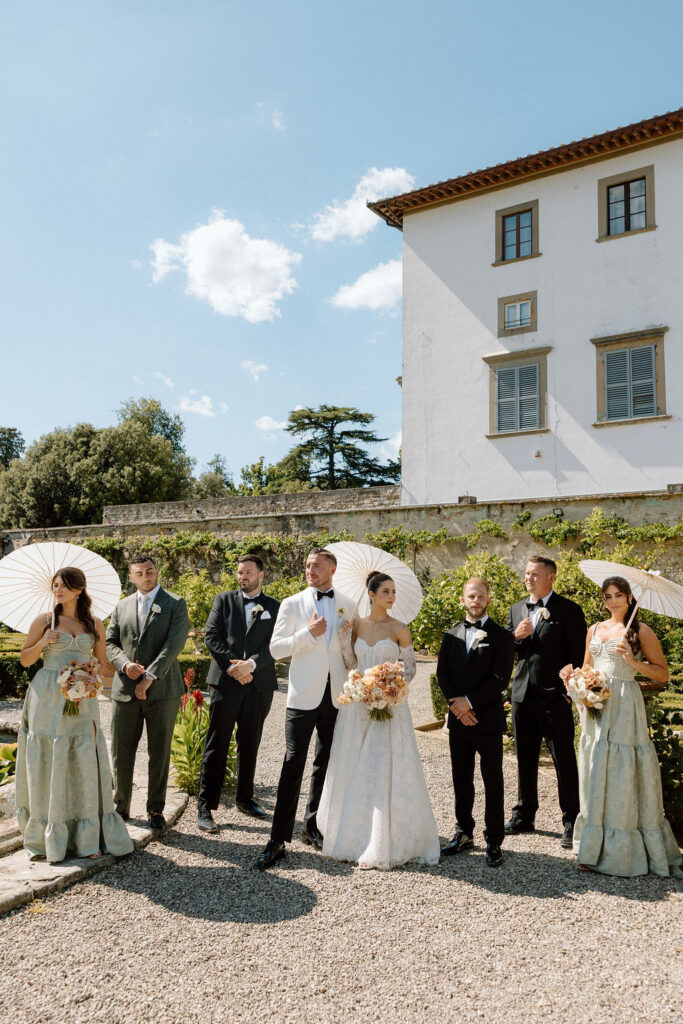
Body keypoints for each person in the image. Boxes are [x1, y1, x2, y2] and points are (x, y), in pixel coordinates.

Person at [317, 571, 440, 870]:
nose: (391, 596)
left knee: (383, 766)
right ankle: (353, 836)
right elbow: (352, 665)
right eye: (385, 591)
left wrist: (390, 684)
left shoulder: (401, 628)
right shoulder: (355, 626)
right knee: (354, 766)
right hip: (358, 708)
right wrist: (346, 643)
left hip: (390, 708)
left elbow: (410, 669)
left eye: (393, 591)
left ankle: (388, 840)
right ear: (370, 594)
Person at [15, 568, 133, 863]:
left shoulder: (94, 623)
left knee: (82, 757)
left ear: (79, 590)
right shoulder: (43, 621)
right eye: (55, 585)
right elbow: (25, 659)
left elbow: (103, 662)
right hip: (46, 696)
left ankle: (87, 837)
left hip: (83, 698)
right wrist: (44, 642)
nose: (58, 590)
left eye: (65, 586)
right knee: (49, 757)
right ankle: (48, 838)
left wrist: (90, 673)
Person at [571, 576, 681, 877]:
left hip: (624, 706)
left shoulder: (641, 631)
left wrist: (633, 662)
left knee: (621, 772)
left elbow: (662, 674)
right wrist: (579, 683)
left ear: (630, 598)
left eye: (618, 595)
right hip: (597, 707)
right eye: (607, 596)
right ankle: (591, 848)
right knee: (595, 769)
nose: (612, 601)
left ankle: (623, 853)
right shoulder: (594, 629)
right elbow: (587, 666)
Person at [254, 548, 354, 870]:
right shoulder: (292, 603)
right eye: (308, 565)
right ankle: (278, 840)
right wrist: (307, 635)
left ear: (332, 569)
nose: (310, 570)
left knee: (324, 762)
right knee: (292, 762)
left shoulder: (348, 605)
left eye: (317, 566)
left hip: (336, 695)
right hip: (301, 697)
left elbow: (350, 650)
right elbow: (276, 649)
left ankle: (313, 827)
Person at [506, 555, 586, 848]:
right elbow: (506, 653)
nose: (529, 578)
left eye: (535, 574)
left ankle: (571, 820)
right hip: (521, 697)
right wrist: (514, 637)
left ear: (551, 576)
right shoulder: (516, 609)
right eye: (527, 574)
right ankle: (525, 814)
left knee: (564, 761)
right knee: (524, 759)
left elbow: (578, 656)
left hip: (554, 698)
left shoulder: (569, 610)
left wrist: (567, 694)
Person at [106, 553, 189, 830]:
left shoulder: (175, 603)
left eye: (150, 571)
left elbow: (175, 643)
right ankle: (120, 807)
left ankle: (155, 809)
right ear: (131, 577)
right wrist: (125, 664)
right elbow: (110, 642)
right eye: (139, 573)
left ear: (157, 571)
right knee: (121, 752)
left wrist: (150, 676)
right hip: (124, 691)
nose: (146, 576)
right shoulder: (121, 606)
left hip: (163, 691)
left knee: (159, 751)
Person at [197, 555, 280, 832]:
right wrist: (235, 667)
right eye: (239, 572)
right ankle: (205, 807)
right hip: (225, 681)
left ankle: (245, 798)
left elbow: (275, 645)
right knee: (216, 743)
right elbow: (212, 636)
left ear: (261, 575)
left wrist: (251, 665)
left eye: (248, 572)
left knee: (250, 742)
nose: (242, 576)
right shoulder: (223, 600)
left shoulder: (274, 607)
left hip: (258, 685)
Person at [437, 578, 514, 867]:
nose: (476, 600)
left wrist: (468, 703)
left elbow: (500, 679)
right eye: (471, 596)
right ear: (462, 600)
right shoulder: (451, 635)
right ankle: (463, 832)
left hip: (488, 719)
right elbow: (443, 674)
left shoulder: (501, 636)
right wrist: (457, 707)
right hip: (459, 721)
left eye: (481, 596)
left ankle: (494, 840)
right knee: (461, 779)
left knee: (492, 780)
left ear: (488, 600)